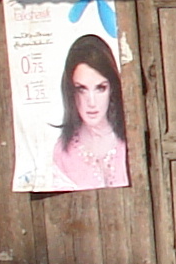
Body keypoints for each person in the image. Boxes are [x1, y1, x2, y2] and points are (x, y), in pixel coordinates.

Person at [52, 34, 129, 189]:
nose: (91, 102)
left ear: (112, 88)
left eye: (100, 88)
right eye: (82, 89)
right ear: (70, 91)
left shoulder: (129, 141)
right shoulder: (63, 152)